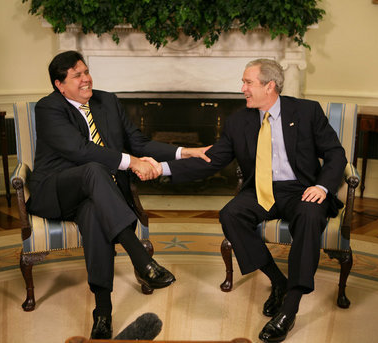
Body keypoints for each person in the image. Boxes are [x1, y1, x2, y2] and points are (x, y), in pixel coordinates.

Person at [146, 59, 347, 342]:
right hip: (262, 189)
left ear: (270, 86)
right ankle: (278, 280)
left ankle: (290, 308)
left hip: (302, 188)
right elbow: (211, 161)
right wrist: (161, 168)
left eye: (248, 83)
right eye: (243, 83)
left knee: (311, 215)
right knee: (230, 214)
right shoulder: (239, 120)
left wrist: (323, 187)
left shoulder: (306, 111)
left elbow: (335, 153)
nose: (242, 89)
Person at [27, 50, 210, 339]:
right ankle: (140, 257)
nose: (86, 79)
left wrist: (183, 152)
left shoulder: (107, 100)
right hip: (55, 190)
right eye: (77, 76)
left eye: (86, 72)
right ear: (59, 85)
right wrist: (132, 162)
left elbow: (138, 140)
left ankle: (102, 313)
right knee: (92, 168)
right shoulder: (48, 108)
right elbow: (80, 150)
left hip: (97, 196)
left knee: (94, 215)